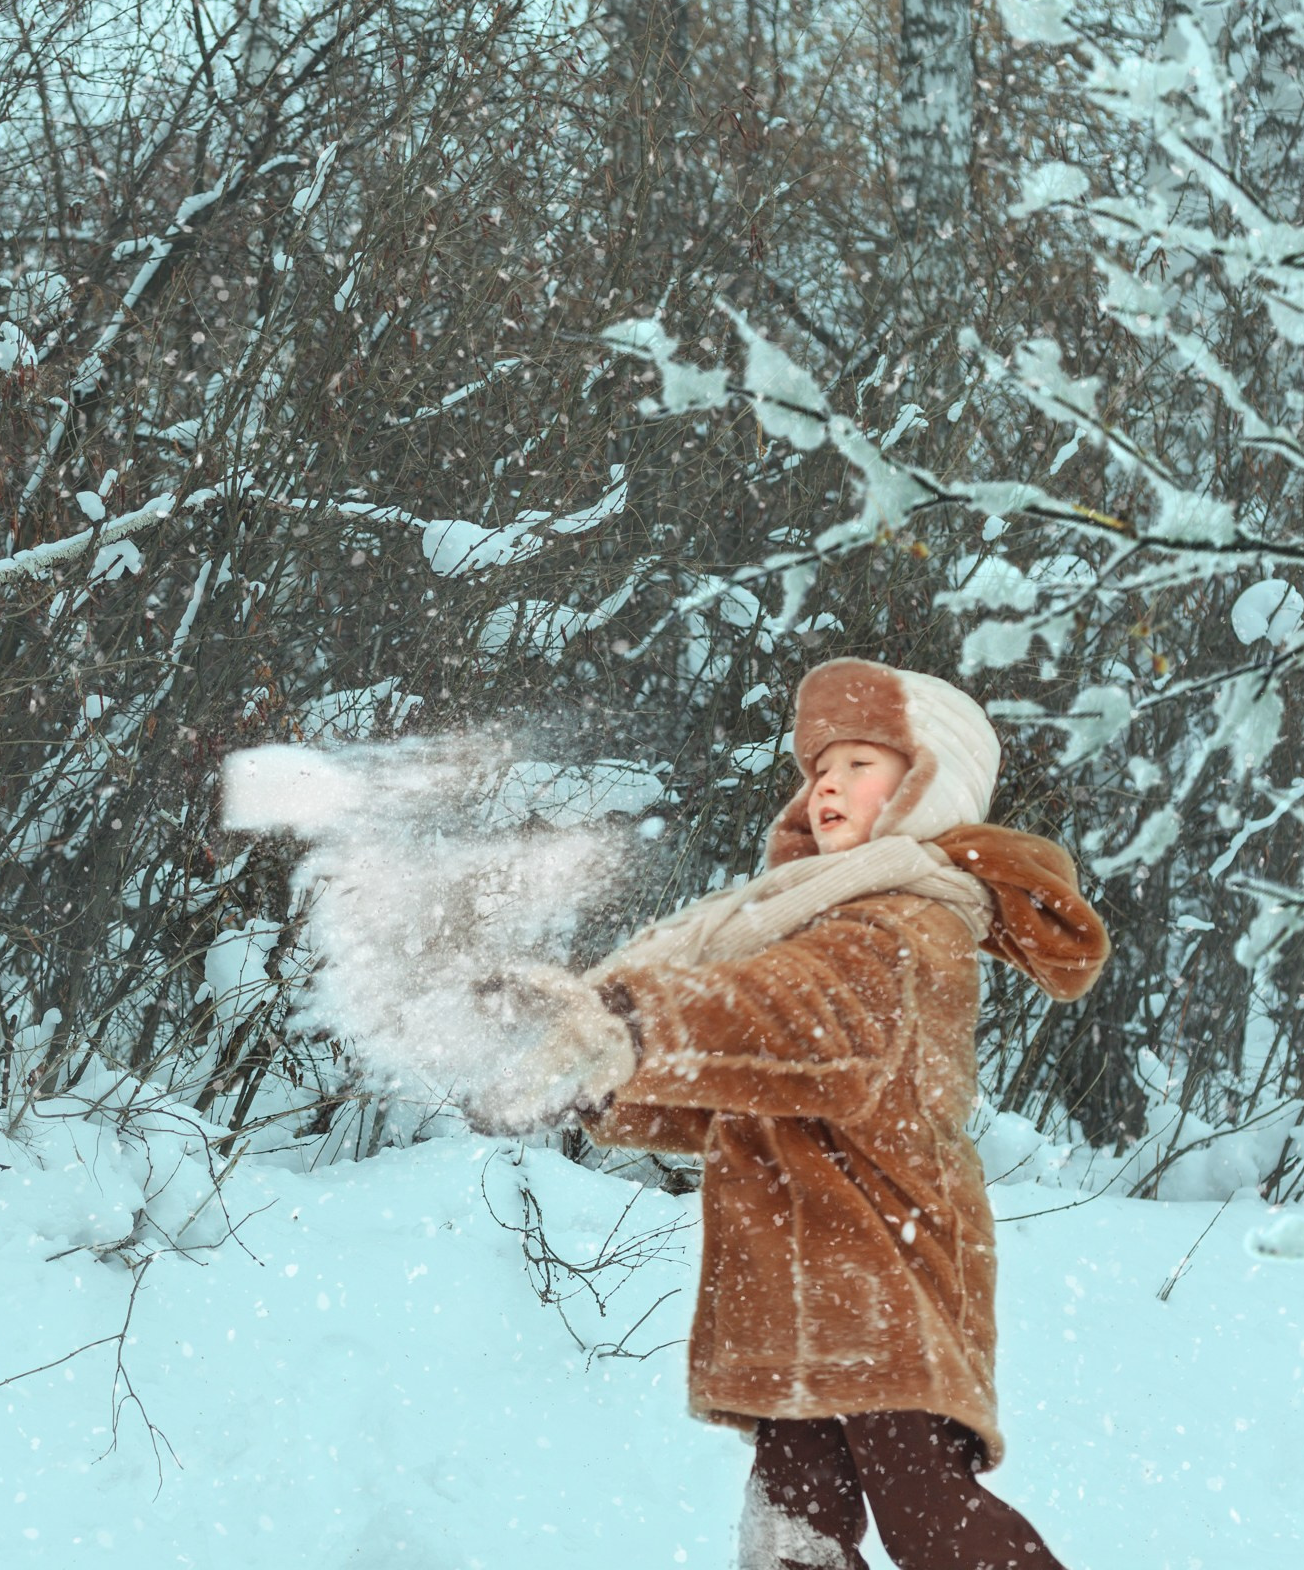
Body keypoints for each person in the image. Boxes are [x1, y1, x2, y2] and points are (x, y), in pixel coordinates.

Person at [474, 658, 1110, 1570]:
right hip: (789, 1292)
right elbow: (742, 1101)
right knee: (790, 1536)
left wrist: (633, 1021)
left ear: (927, 787)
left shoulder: (906, 926)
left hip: (884, 1276)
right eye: (819, 768)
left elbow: (804, 1025)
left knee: (930, 1518)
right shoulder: (802, 922)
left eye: (862, 763)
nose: (829, 785)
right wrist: (596, 1082)